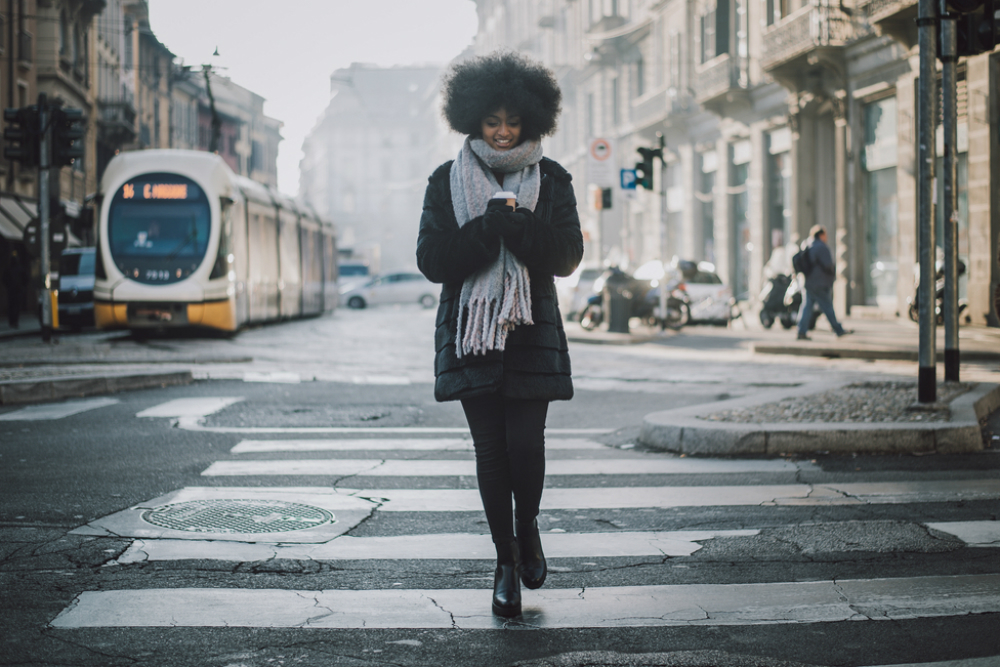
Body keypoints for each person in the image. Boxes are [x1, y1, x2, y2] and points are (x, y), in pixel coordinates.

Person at [416, 51, 583, 618]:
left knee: (525, 448)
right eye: (493, 121)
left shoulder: (553, 180)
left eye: (513, 121)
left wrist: (523, 228)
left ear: (532, 121)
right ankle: (505, 561)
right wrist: (487, 231)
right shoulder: (446, 182)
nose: (504, 132)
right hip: (471, 335)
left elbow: (566, 257)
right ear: (473, 121)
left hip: (531, 332)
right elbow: (433, 260)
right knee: (490, 451)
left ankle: (528, 528)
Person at [797, 225, 850, 340]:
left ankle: (801, 331)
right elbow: (828, 264)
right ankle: (838, 329)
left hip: (808, 282)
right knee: (827, 306)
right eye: (825, 235)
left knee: (806, 307)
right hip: (820, 283)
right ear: (821, 235)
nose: (826, 237)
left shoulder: (807, 244)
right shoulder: (821, 247)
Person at [3, 248, 28, 329]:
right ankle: (14, 322)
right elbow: (25, 279)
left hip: (12, 290)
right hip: (17, 290)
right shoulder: (19, 269)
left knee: (12, 306)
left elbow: (4, 279)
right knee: (16, 306)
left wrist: (8, 286)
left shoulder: (9, 269)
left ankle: (12, 322)